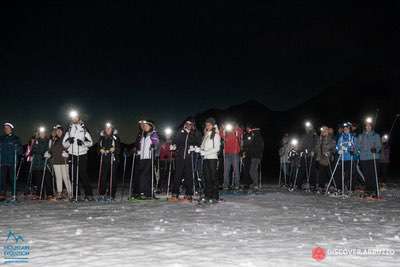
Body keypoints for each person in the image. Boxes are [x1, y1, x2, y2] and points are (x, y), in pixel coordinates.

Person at [63, 112, 94, 201]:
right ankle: (76, 194)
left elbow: (90, 143)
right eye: (73, 117)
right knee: (73, 174)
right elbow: (64, 144)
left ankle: (89, 194)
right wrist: (69, 141)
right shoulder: (69, 129)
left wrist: (83, 143)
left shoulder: (83, 128)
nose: (74, 119)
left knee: (83, 174)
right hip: (72, 154)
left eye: (76, 117)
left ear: (78, 118)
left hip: (82, 154)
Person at [169, 119, 202, 202]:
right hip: (179, 157)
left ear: (193, 124)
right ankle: (175, 194)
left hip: (189, 157)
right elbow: (175, 140)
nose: (188, 125)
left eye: (190, 124)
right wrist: (174, 145)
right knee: (177, 175)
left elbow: (199, 142)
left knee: (189, 176)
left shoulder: (195, 132)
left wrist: (194, 147)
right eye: (187, 123)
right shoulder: (180, 131)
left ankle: (188, 194)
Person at [131, 120, 160, 199]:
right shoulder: (142, 135)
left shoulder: (153, 134)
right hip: (142, 157)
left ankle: (144, 192)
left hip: (149, 157)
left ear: (150, 126)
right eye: (144, 126)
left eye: (146, 125)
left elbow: (156, 143)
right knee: (143, 175)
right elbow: (140, 146)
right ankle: (147, 193)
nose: (144, 127)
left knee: (145, 175)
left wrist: (154, 146)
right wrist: (136, 150)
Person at [357, 121, 382, 198]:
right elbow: (358, 145)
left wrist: (376, 149)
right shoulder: (361, 136)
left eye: (369, 126)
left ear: (371, 127)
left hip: (373, 157)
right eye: (366, 126)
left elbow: (379, 145)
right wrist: (356, 150)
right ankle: (368, 190)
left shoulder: (376, 135)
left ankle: (375, 190)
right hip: (364, 158)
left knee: (373, 174)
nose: (368, 127)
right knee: (366, 175)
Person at [98, 123, 120, 200]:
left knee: (113, 177)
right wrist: (100, 149)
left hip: (113, 159)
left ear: (112, 129)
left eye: (109, 128)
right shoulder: (102, 137)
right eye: (106, 128)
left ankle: (111, 193)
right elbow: (98, 146)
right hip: (104, 159)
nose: (108, 130)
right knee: (103, 177)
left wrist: (114, 149)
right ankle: (102, 193)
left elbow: (118, 148)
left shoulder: (115, 137)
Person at [0, 123, 22, 201]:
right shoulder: (1, 138)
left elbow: (20, 150)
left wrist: (18, 148)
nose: (6, 129)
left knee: (13, 178)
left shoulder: (15, 138)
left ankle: (14, 194)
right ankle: (2, 194)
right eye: (5, 128)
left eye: (7, 128)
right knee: (2, 178)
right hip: (3, 161)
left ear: (11, 129)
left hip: (12, 161)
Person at [200, 118, 221, 203]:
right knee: (207, 177)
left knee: (213, 177)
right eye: (206, 125)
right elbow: (202, 146)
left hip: (212, 159)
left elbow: (217, 148)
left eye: (209, 124)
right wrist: (198, 149)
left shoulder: (216, 135)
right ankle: (208, 195)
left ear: (213, 125)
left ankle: (215, 196)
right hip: (206, 159)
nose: (207, 126)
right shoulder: (206, 135)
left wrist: (205, 153)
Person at [49, 125, 72, 199]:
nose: (58, 132)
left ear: (62, 131)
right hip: (56, 161)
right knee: (58, 177)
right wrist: (49, 153)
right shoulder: (54, 140)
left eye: (60, 131)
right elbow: (51, 150)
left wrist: (67, 153)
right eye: (57, 131)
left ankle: (70, 192)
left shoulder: (66, 139)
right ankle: (59, 192)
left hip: (64, 160)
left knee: (66, 177)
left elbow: (69, 147)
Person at [31, 127, 54, 200]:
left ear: (45, 133)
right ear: (39, 133)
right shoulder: (36, 141)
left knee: (48, 178)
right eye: (40, 133)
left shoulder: (48, 141)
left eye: (43, 133)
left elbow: (51, 150)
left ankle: (49, 194)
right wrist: (40, 152)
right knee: (39, 180)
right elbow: (33, 150)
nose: (42, 134)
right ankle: (39, 194)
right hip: (37, 163)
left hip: (46, 163)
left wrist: (49, 154)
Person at [335, 122, 356, 193]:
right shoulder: (341, 138)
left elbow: (355, 147)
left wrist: (351, 150)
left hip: (350, 158)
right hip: (342, 158)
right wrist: (339, 150)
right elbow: (337, 146)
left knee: (350, 173)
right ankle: (340, 188)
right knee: (340, 173)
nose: (346, 130)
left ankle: (351, 187)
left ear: (349, 129)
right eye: (344, 129)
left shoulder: (352, 137)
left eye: (347, 129)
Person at [220, 122, 243, 190]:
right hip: (227, 154)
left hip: (235, 154)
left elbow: (240, 132)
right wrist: (222, 128)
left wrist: (237, 127)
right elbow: (221, 134)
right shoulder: (226, 133)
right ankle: (225, 185)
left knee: (236, 170)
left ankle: (237, 185)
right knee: (226, 170)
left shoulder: (237, 132)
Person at [314, 126, 336, 192]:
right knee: (321, 173)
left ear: (327, 131)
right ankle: (321, 186)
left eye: (325, 131)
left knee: (330, 172)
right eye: (323, 131)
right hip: (321, 158)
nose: (323, 132)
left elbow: (334, 149)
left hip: (328, 158)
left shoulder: (331, 139)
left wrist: (329, 152)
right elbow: (316, 149)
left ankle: (332, 185)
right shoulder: (319, 139)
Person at [242, 125, 264, 189]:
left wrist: (251, 150)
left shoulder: (257, 138)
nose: (252, 132)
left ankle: (256, 184)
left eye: (253, 131)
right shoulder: (255, 138)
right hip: (254, 156)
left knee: (252, 170)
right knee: (253, 170)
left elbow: (258, 148)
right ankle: (255, 183)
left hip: (256, 157)